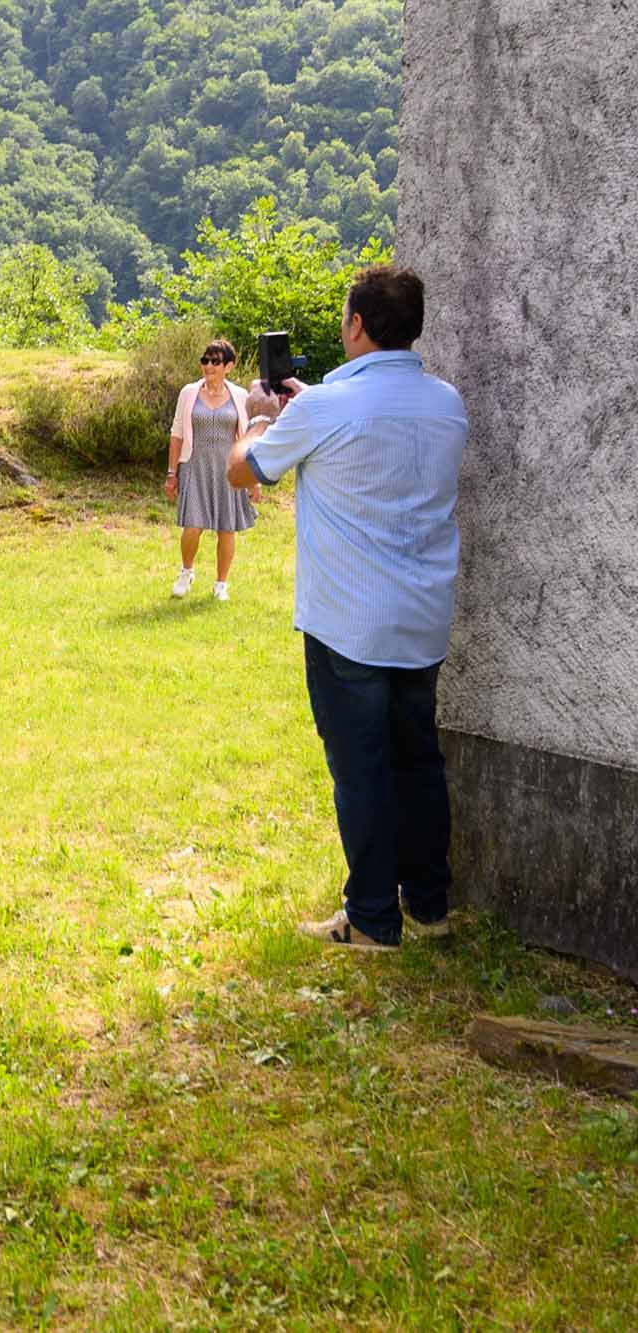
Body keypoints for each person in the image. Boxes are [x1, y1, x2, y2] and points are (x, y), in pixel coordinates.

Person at [228, 265, 469, 951]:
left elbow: (242, 470)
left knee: (361, 769)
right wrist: (305, 409)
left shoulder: (325, 409)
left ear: (357, 324)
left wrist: (256, 416)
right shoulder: (446, 403)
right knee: (419, 762)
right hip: (423, 617)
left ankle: (369, 920)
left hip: (348, 625)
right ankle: (429, 907)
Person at [165, 339, 259, 600]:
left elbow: (248, 438)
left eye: (215, 361)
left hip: (229, 470)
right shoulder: (189, 393)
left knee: (226, 528)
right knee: (193, 526)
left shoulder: (240, 396)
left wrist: (253, 478)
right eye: (205, 360)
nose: (208, 366)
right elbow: (176, 435)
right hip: (195, 466)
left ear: (229, 366)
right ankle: (186, 572)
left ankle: (221, 584)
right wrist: (172, 474)